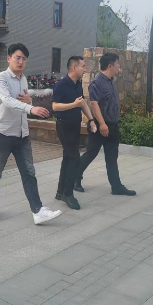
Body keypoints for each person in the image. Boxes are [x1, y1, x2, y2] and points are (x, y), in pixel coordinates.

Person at [0, 43, 62, 225]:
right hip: (3, 133)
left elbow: (24, 101)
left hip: (22, 135)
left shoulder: (23, 79)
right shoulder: (1, 78)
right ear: (9, 58)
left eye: (24, 59)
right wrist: (31, 108)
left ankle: (38, 211)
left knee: (29, 172)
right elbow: (7, 101)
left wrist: (30, 102)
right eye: (17, 58)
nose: (20, 62)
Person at [75, 52, 136, 196]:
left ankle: (116, 187)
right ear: (110, 66)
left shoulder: (111, 81)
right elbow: (94, 104)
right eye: (117, 64)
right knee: (91, 153)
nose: (119, 67)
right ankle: (74, 178)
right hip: (100, 126)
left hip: (113, 125)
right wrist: (102, 124)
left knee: (112, 157)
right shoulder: (97, 83)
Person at [52, 56, 97, 210]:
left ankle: (60, 192)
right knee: (74, 158)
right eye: (83, 66)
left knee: (68, 157)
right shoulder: (62, 84)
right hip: (64, 125)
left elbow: (82, 103)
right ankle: (68, 194)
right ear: (74, 67)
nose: (85, 69)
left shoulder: (77, 84)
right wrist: (73, 104)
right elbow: (55, 106)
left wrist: (91, 120)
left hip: (74, 125)